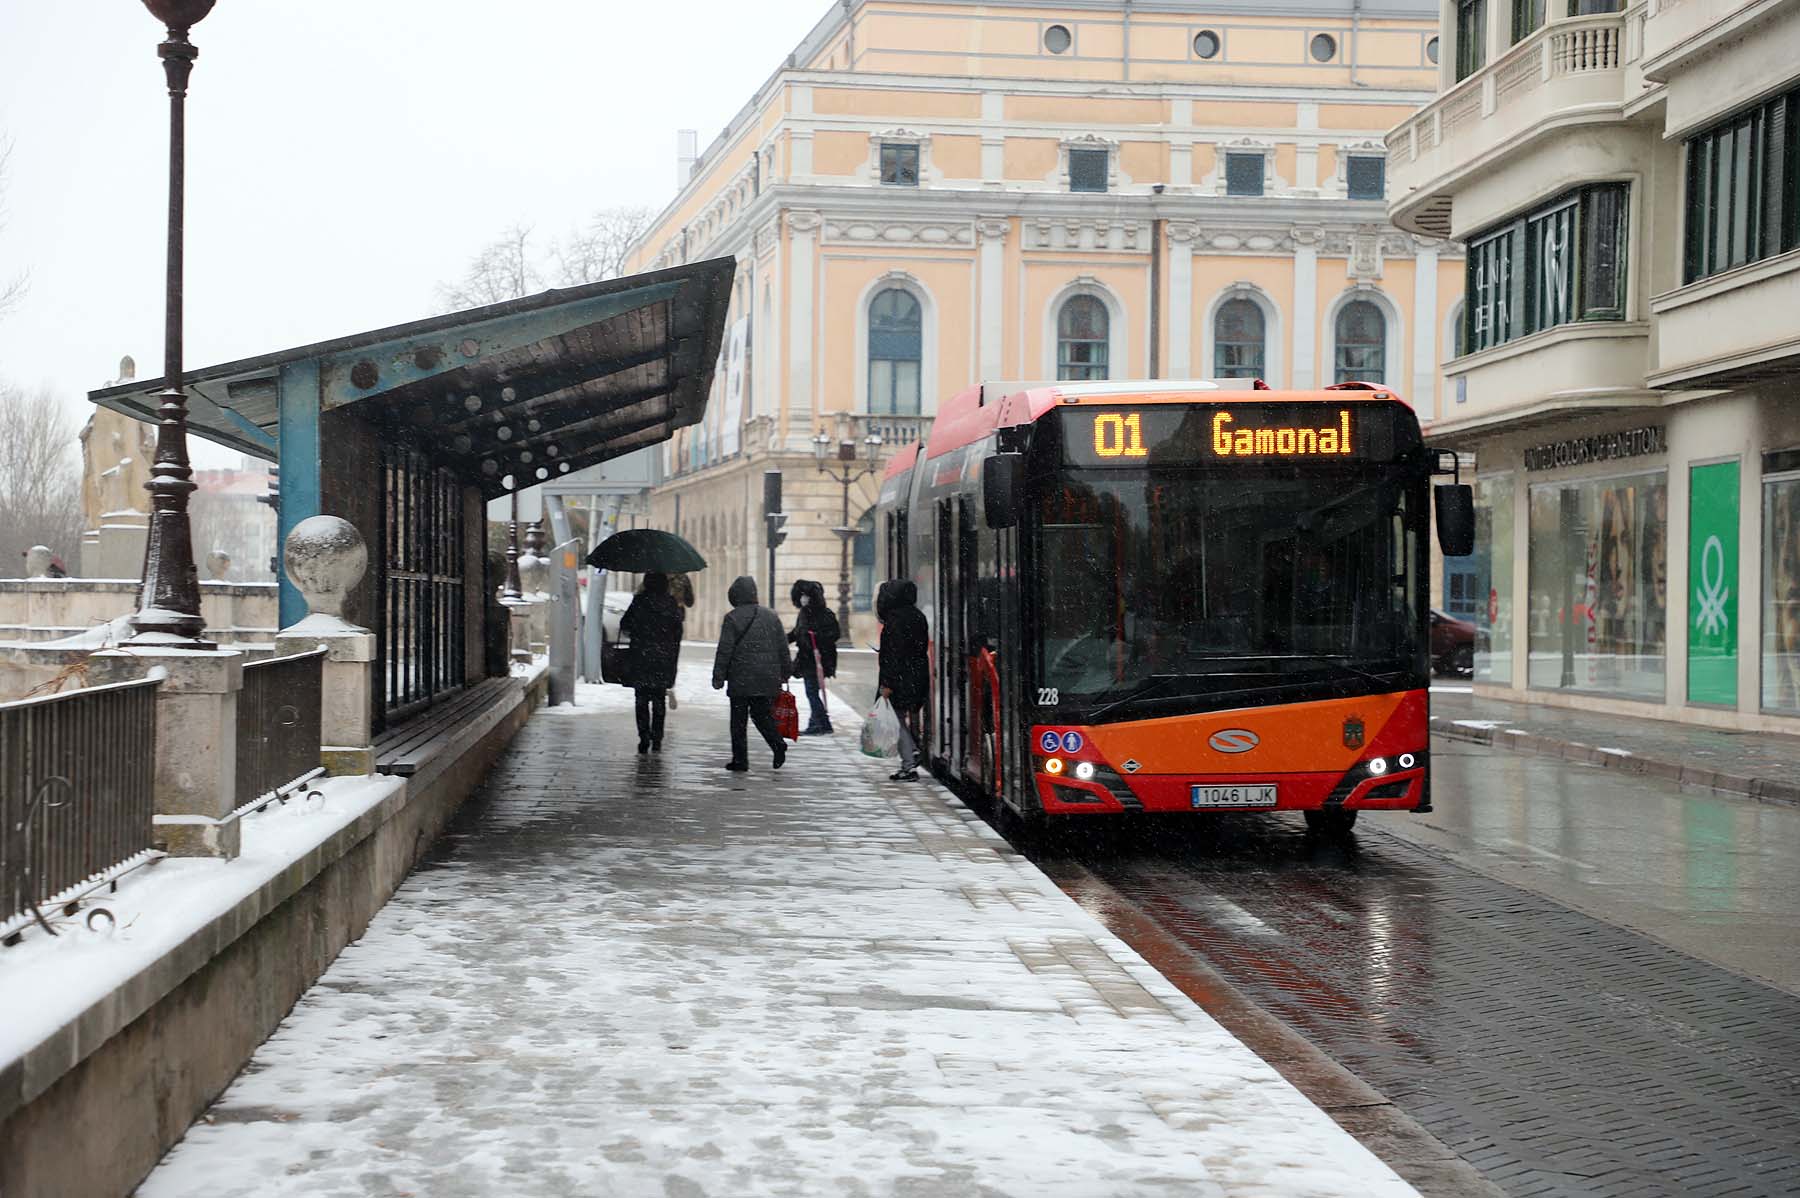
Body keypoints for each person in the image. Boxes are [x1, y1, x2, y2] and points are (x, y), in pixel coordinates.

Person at [712, 575, 792, 772]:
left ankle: (740, 760)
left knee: (738, 720)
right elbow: (783, 647)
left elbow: (725, 649)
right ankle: (777, 743)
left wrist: (718, 676)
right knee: (762, 715)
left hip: (741, 678)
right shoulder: (771, 616)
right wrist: (786, 671)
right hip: (767, 677)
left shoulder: (732, 618)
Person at [620, 572, 684, 754]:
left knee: (641, 700)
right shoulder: (671, 604)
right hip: (663, 659)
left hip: (641, 657)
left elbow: (625, 624)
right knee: (658, 700)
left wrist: (639, 631)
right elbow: (678, 632)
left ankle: (644, 737)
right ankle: (657, 738)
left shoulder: (639, 602)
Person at [877, 578, 930, 782]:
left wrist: (888, 684)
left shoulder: (895, 620)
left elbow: (893, 654)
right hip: (917, 675)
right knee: (901, 717)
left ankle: (909, 763)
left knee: (895, 720)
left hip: (900, 678)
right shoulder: (918, 616)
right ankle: (912, 751)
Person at [788, 579, 840, 735]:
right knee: (813, 691)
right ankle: (816, 724)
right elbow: (797, 633)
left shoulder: (824, 614)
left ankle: (823, 723)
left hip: (817, 659)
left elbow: (834, 634)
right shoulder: (805, 614)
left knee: (811, 692)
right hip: (809, 659)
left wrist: (817, 637)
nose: (803, 599)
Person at [666, 572, 696, 710]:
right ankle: (669, 684)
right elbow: (690, 601)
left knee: (654, 654)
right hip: (675, 621)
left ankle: (656, 686)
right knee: (672, 656)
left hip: (653, 622)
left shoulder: (653, 573)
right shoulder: (682, 577)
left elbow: (638, 594)